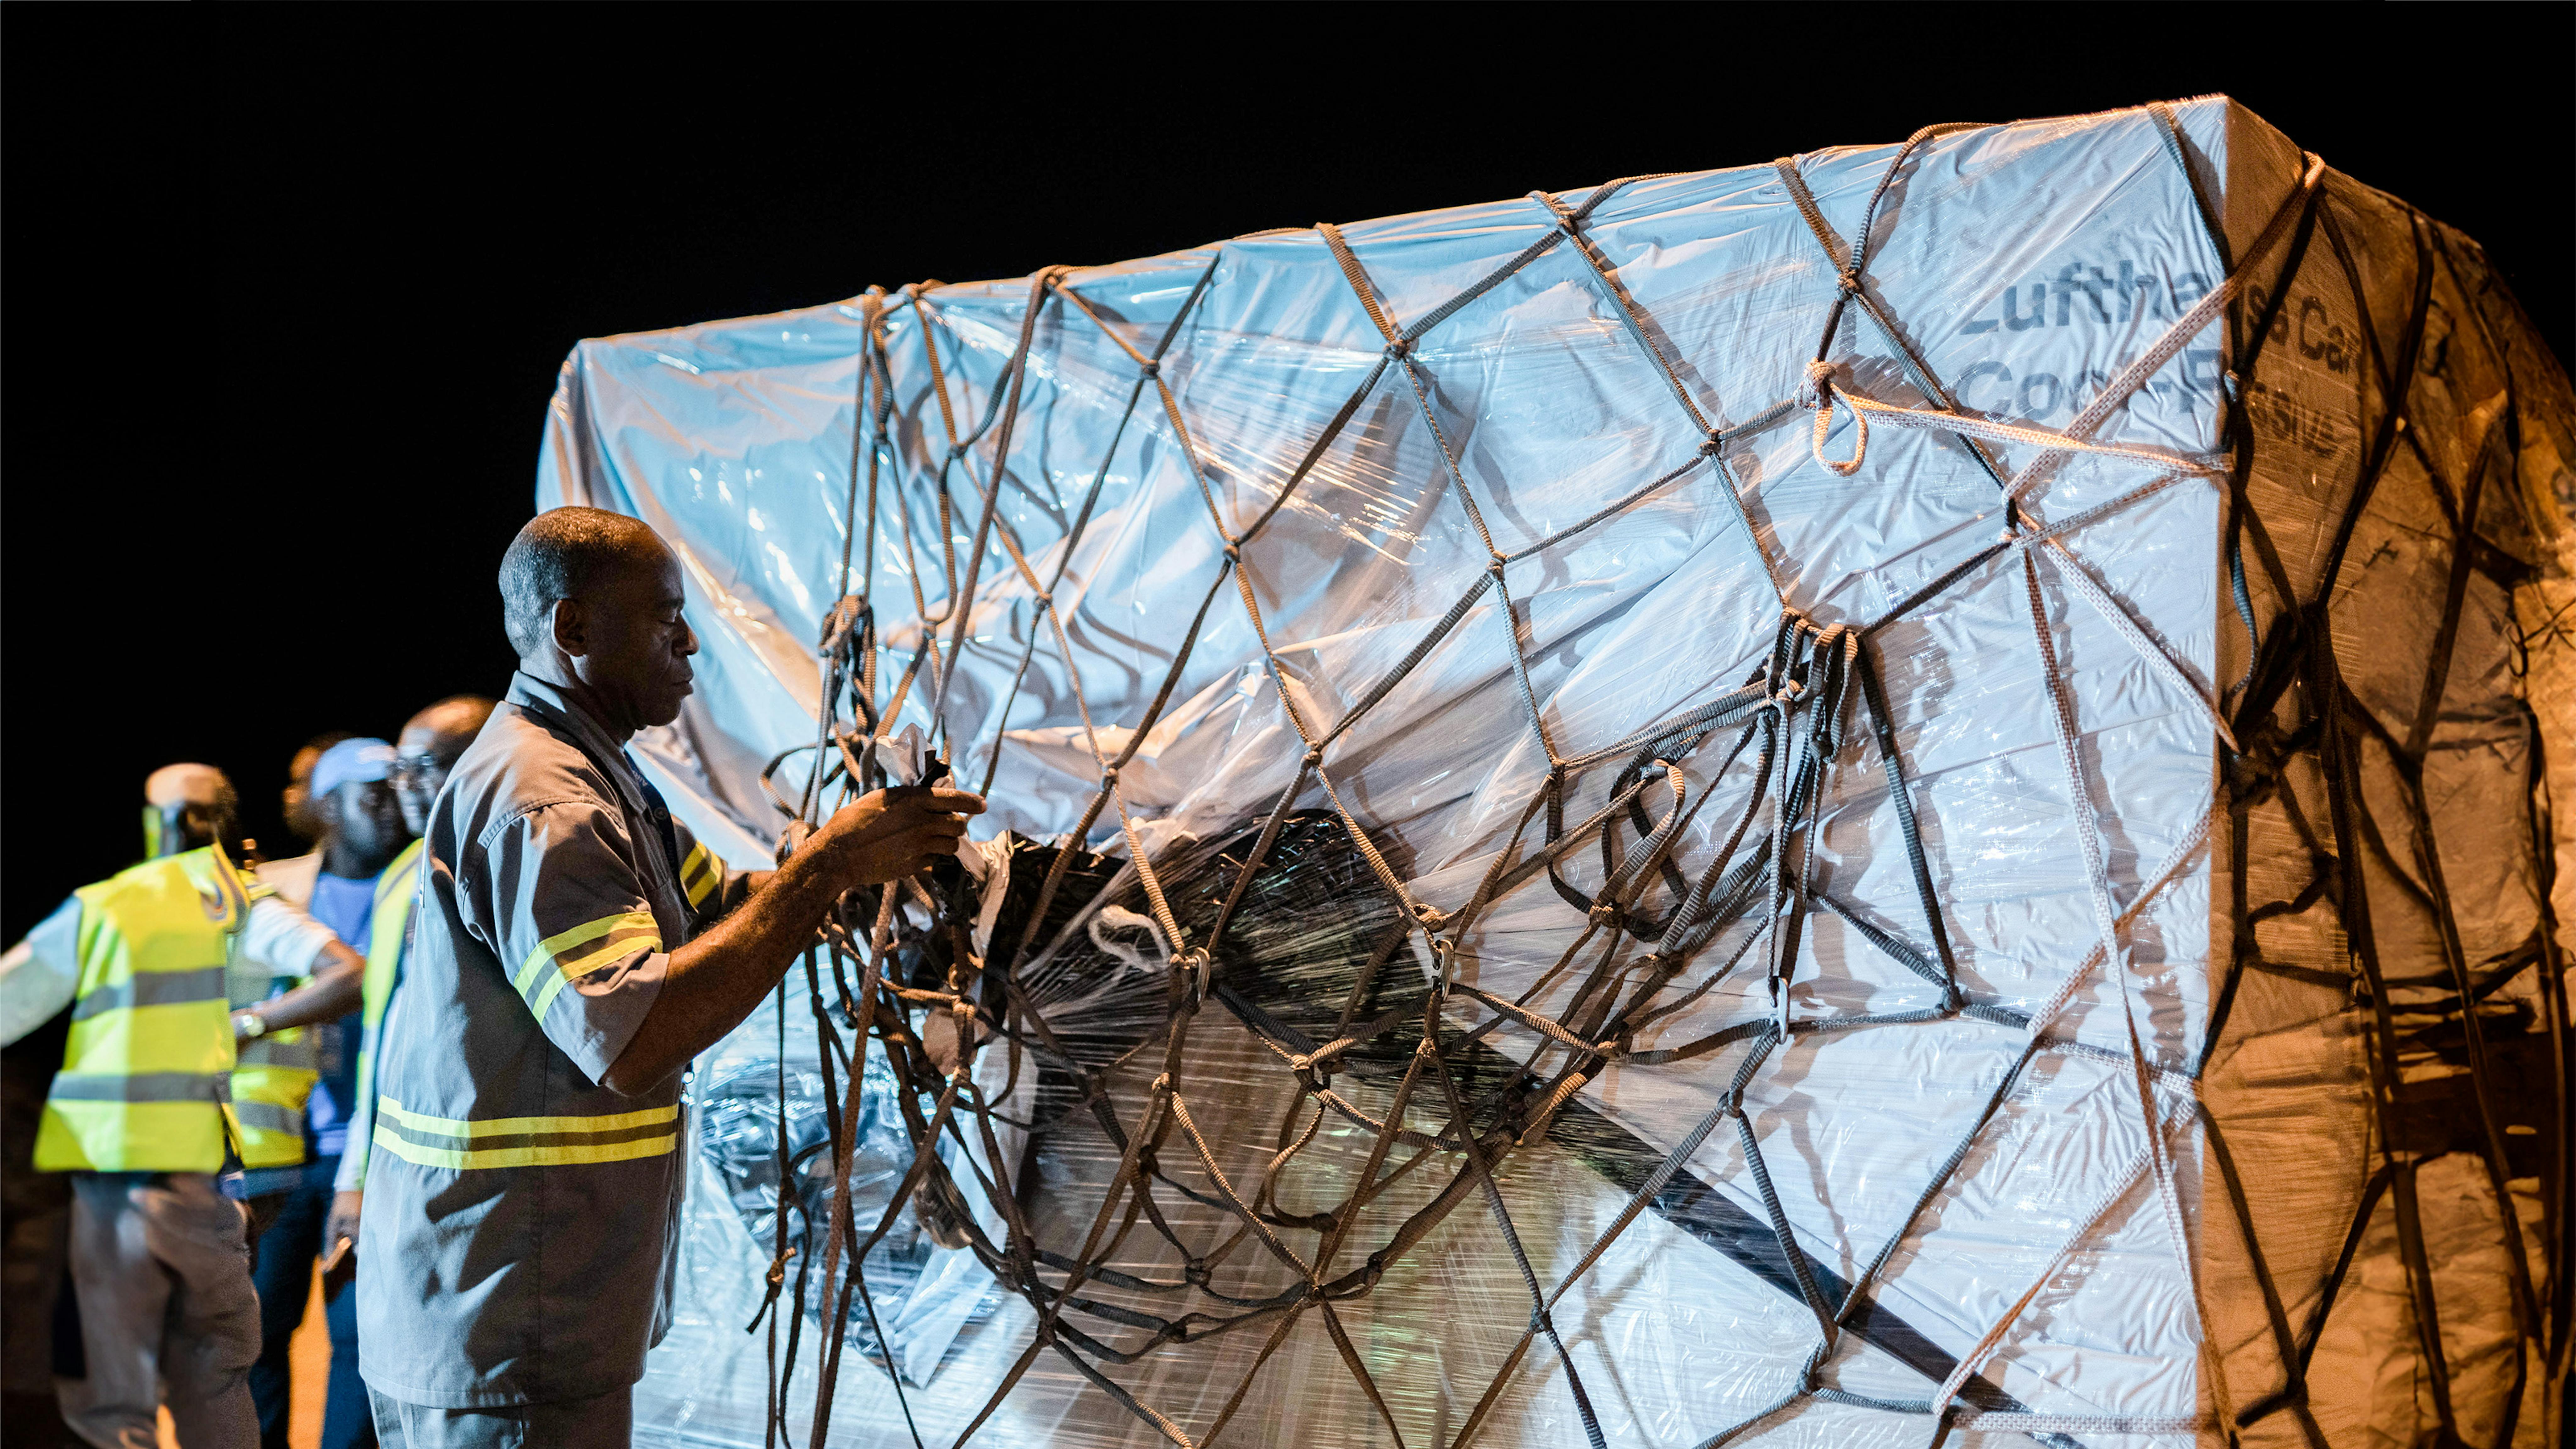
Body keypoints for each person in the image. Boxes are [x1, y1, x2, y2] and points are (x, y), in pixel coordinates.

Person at [359, 508, 980, 1447]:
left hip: (534, 1300)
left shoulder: (598, 774)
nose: (691, 642)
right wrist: (824, 874)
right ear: (574, 631)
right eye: (665, 618)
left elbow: (723, 905)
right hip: (510, 1315)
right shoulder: (548, 804)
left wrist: (858, 869)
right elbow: (637, 1039)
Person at [2, 763, 365, 1449]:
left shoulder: (111, 904)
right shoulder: (246, 903)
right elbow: (348, 971)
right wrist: (251, 1022)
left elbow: (10, 1002)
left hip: (137, 1168)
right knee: (220, 1365)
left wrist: (242, 1024)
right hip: (239, 1164)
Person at [317, 696, 496, 1449]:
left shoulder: (520, 857)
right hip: (399, 1173)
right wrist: (356, 1177)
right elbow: (382, 1047)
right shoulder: (404, 879)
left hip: (482, 1186)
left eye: (427, 765)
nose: (408, 786)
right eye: (399, 770)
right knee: (369, 1372)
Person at [245, 740, 412, 1449]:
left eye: (399, 791)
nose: (395, 806)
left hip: (375, 1156)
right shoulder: (272, 889)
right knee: (255, 1339)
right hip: (278, 1146)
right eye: (374, 794)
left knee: (359, 1346)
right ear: (329, 806)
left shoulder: (425, 885)